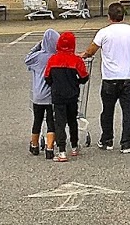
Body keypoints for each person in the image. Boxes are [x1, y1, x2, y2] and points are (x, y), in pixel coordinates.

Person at [82, 3, 130, 153]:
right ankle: (126, 142)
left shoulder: (104, 33)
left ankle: (107, 139)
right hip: (129, 76)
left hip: (110, 77)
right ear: (123, 16)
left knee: (107, 110)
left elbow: (91, 50)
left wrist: (82, 56)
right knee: (128, 110)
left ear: (109, 17)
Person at [43, 31, 89, 162]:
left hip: (58, 95)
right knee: (72, 120)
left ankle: (62, 151)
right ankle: (74, 146)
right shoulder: (76, 60)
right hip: (72, 95)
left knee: (60, 122)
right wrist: (76, 82)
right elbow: (84, 77)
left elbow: (47, 77)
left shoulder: (53, 59)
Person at [23, 27, 58, 158]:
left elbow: (27, 59)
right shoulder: (56, 56)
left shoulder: (38, 57)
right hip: (52, 95)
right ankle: (50, 148)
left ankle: (35, 144)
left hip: (38, 95)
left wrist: (38, 46)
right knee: (51, 121)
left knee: (37, 120)